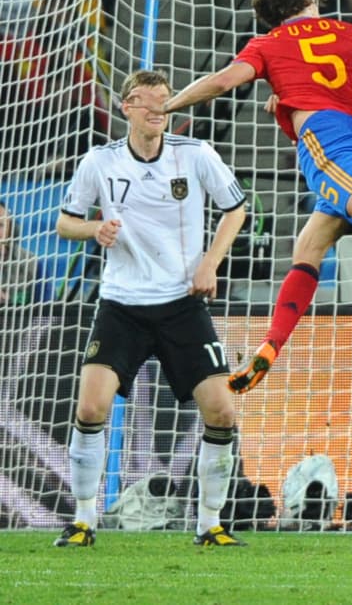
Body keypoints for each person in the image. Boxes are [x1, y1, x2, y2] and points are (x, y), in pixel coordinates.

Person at [151, 0, 352, 395]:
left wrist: (169, 105)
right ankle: (270, 345)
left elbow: (224, 81)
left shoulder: (268, 43)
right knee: (309, 246)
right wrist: (288, 95)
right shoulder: (348, 32)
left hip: (327, 139)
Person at [53, 69, 247, 547]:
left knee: (222, 411)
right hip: (122, 304)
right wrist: (94, 229)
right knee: (90, 407)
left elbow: (236, 208)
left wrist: (210, 262)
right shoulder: (100, 162)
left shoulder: (196, 154)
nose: (159, 108)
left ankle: (210, 525)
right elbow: (65, 223)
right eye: (147, 100)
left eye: (165, 99)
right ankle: (83, 521)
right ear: (127, 107)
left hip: (183, 303)